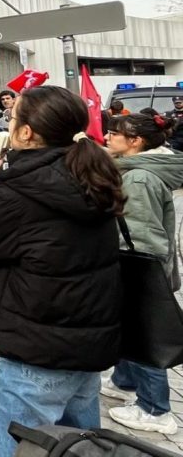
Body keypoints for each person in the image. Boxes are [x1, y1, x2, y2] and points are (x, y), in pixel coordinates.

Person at [0, 86, 124, 457]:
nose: (8, 124)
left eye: (12, 118)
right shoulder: (89, 176)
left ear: (26, 133)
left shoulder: (25, 193)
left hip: (29, 356)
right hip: (83, 353)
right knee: (75, 450)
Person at [102, 113, 183, 435]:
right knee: (130, 327)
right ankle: (124, 381)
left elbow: (139, 235)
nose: (107, 137)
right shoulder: (140, 169)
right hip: (140, 265)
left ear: (136, 142)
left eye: (114, 133)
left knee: (143, 333)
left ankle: (155, 408)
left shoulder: (139, 179)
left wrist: (132, 271)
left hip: (138, 265)